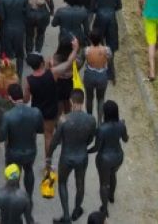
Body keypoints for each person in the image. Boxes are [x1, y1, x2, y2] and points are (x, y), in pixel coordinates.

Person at [48, 89, 97, 223]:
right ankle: (76, 210)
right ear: (83, 101)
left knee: (62, 183)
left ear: (71, 101)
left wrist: (49, 156)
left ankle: (66, 216)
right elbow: (90, 139)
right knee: (80, 184)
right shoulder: (91, 120)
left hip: (66, 157)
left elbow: (55, 141)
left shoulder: (64, 119)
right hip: (82, 156)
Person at [87, 99, 127, 217]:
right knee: (113, 174)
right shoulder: (121, 125)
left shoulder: (102, 129)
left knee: (104, 184)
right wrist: (123, 127)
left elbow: (96, 148)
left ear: (106, 113)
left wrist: (86, 151)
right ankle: (111, 196)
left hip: (104, 159)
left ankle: (104, 209)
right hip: (118, 156)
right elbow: (126, 139)